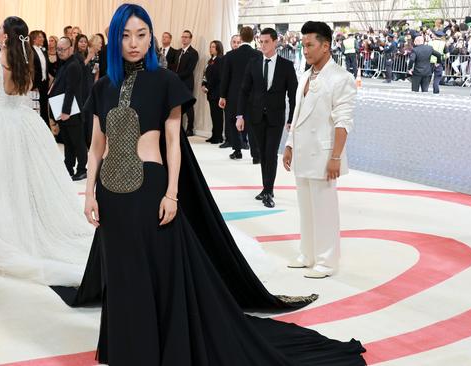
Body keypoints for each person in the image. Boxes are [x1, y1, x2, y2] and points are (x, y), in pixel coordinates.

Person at [56, 6, 366, 365]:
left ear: (151, 36)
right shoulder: (102, 86)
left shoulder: (165, 82)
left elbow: (173, 144)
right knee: (122, 273)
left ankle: (156, 347)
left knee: (153, 273)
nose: (134, 43)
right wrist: (89, 192)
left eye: (141, 34)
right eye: (125, 35)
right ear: (114, 39)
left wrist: (172, 193)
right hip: (111, 195)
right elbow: (96, 147)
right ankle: (127, 349)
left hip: (150, 189)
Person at [0, 16, 94, 286]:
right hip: (24, 125)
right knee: (24, 182)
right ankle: (28, 230)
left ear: (6, 37)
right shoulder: (26, 63)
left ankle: (6, 236)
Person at [283, 21, 356, 279]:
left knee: (324, 210)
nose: (305, 50)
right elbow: (297, 113)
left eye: (310, 45)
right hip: (303, 152)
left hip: (324, 155)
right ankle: (308, 254)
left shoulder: (341, 78)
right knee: (306, 208)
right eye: (303, 45)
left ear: (326, 46)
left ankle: (327, 261)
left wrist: (336, 156)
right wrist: (290, 145)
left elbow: (343, 121)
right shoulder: (305, 75)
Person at [237, 27, 297, 209]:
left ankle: (268, 191)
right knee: (263, 153)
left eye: (266, 42)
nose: (262, 45)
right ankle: (266, 188)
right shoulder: (253, 63)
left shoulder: (286, 66)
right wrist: (240, 115)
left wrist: (291, 119)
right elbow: (244, 90)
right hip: (256, 117)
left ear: (275, 42)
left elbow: (293, 95)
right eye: (260, 42)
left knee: (270, 153)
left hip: (275, 118)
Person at [49, 36, 88, 181]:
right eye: (58, 49)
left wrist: (65, 111)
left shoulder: (73, 65)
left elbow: (71, 90)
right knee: (68, 142)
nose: (59, 52)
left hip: (71, 111)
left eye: (62, 49)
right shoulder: (65, 64)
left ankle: (82, 169)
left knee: (77, 142)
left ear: (71, 49)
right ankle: (68, 167)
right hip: (63, 110)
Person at [219, 26, 261, 160]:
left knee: (232, 121)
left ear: (241, 38)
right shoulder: (258, 54)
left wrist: (222, 96)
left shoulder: (230, 55)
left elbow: (225, 77)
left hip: (233, 94)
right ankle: (256, 155)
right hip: (253, 94)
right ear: (253, 38)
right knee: (253, 123)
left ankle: (237, 150)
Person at [173, 30, 199, 135]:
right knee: (176, 106)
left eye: (186, 37)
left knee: (188, 106)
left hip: (186, 83)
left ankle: (190, 128)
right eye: (182, 36)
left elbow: (189, 70)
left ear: (190, 39)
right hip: (176, 83)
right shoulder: (178, 52)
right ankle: (178, 127)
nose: (184, 39)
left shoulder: (193, 53)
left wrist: (176, 76)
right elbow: (174, 66)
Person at [202, 40, 224, 144]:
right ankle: (214, 134)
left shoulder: (220, 60)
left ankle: (218, 136)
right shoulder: (210, 60)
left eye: (213, 47)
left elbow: (217, 77)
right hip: (211, 92)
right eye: (210, 46)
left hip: (216, 92)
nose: (211, 48)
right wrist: (203, 84)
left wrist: (208, 87)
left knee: (217, 115)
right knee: (213, 115)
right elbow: (205, 74)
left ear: (218, 48)